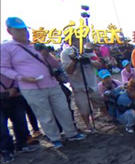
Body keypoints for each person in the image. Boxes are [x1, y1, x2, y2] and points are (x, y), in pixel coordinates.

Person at [1, 17, 85, 149]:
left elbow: (55, 64)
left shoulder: (36, 46)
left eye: (24, 29)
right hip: (30, 87)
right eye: (19, 30)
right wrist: (21, 78)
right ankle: (55, 138)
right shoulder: (6, 48)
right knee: (44, 114)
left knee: (63, 109)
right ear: (10, 31)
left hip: (51, 83)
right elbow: (3, 68)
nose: (23, 32)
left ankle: (71, 133)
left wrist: (46, 54)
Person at [61, 40, 103, 133]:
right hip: (78, 84)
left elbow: (99, 65)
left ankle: (102, 118)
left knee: (99, 101)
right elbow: (69, 71)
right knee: (84, 107)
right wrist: (75, 61)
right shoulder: (66, 53)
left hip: (92, 82)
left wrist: (89, 60)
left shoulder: (88, 50)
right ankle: (88, 125)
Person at [1, 74, 39, 164]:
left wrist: (16, 88)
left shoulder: (8, 61)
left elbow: (19, 72)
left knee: (20, 121)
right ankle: (6, 150)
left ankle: (22, 144)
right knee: (1, 127)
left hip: (15, 96)